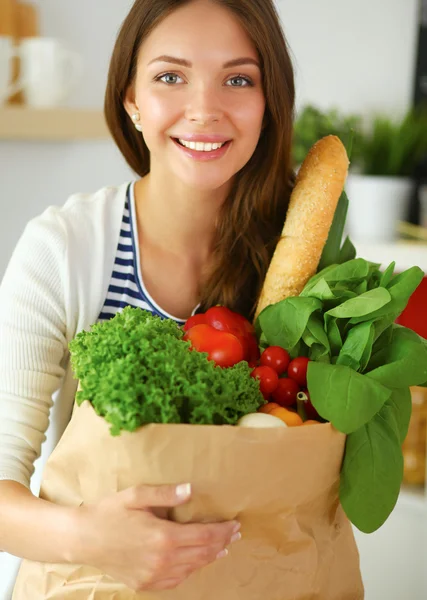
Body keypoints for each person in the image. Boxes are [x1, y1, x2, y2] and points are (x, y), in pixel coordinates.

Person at [0, 0, 295, 592]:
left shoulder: (299, 257)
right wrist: (89, 538)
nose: (205, 110)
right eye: (170, 77)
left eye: (238, 79)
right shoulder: (62, 249)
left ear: (269, 104)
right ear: (131, 100)